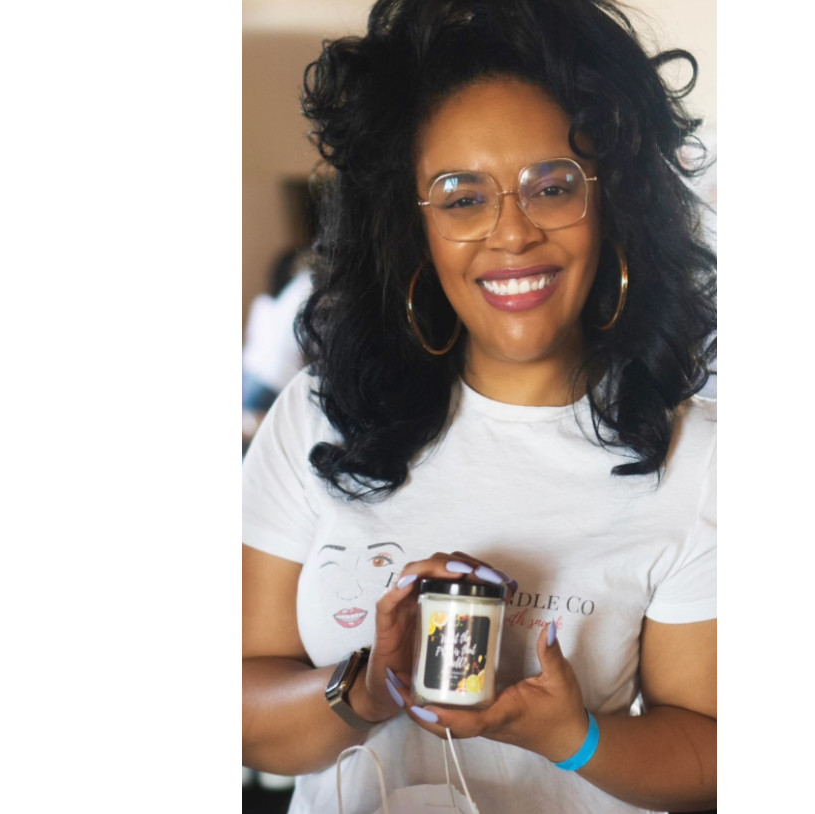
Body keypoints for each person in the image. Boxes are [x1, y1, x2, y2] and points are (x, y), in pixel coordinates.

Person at [242, 0, 717, 812]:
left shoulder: (695, 455)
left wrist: (573, 736)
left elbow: (711, 749)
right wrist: (370, 688)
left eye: (552, 187)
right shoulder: (320, 415)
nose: (512, 233)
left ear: (614, 203)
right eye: (462, 197)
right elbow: (243, 714)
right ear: (413, 227)